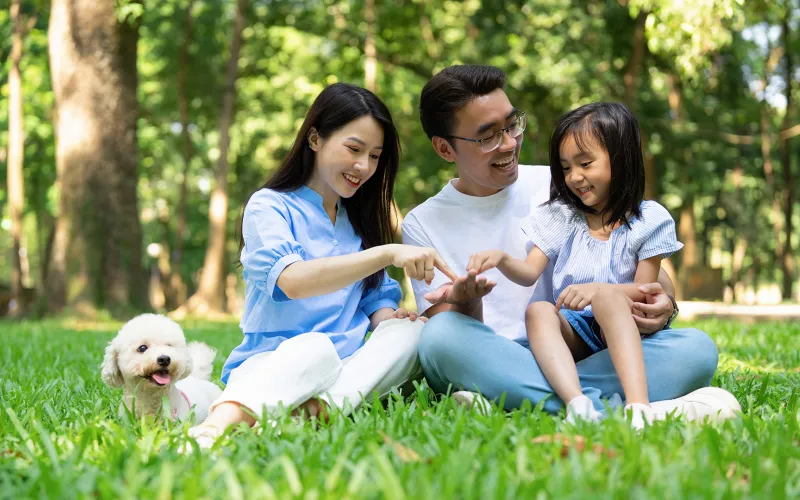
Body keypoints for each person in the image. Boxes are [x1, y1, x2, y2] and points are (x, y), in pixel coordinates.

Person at [402, 65, 741, 423]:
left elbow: (646, 268)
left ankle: (516, 401)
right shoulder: (422, 223)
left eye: (512, 124)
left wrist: (665, 303)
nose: (509, 142)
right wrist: (468, 303)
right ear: (444, 148)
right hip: (495, 356)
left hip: (583, 351)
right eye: (488, 136)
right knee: (439, 338)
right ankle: (633, 409)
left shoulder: (562, 185)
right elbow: (451, 327)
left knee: (697, 349)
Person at [187, 83, 456, 448]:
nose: (363, 166)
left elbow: (374, 302)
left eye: (375, 156)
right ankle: (214, 429)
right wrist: (388, 253)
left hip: (347, 371)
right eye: (354, 148)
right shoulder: (269, 206)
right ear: (315, 139)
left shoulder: (360, 220)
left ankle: (311, 413)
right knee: (315, 347)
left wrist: (392, 319)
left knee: (413, 334)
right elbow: (293, 281)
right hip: (274, 366)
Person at [468, 102, 683, 428]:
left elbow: (644, 290)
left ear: (621, 159)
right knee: (538, 310)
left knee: (609, 299)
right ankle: (577, 403)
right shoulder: (561, 215)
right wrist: (500, 258)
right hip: (576, 332)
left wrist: (598, 291)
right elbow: (528, 274)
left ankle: (639, 407)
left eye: (585, 164)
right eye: (566, 168)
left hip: (626, 326)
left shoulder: (648, 220)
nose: (575, 177)